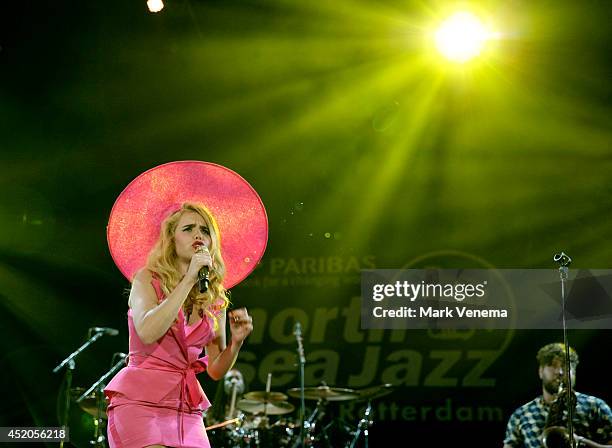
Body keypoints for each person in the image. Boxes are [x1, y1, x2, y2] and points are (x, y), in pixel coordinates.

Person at [104, 202, 254, 448]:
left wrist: (236, 343)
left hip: (186, 408)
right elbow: (149, 331)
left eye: (205, 230)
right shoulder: (146, 279)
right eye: (188, 228)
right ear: (171, 238)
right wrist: (188, 280)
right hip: (139, 403)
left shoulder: (214, 299)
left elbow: (215, 370)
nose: (198, 235)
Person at [503, 342, 612, 448]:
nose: (559, 372)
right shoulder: (521, 415)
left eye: (566, 366)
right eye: (552, 366)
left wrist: (582, 441)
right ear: (541, 371)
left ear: (574, 372)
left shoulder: (596, 406)